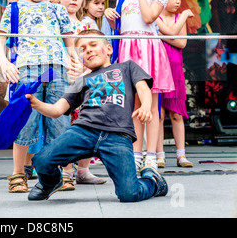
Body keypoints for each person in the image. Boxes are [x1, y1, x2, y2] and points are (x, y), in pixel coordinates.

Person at [26, 29, 168, 202]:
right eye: (83, 49)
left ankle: (153, 181)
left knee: (129, 194)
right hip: (84, 131)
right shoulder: (80, 81)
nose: (88, 50)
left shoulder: (127, 67)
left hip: (118, 135)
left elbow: (143, 88)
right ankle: (52, 182)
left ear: (108, 49)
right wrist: (36, 103)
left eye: (93, 45)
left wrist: (146, 105)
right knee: (41, 160)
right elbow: (57, 110)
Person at [0, 0, 77, 193]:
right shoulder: (14, 10)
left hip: (57, 70)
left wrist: (74, 59)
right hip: (27, 71)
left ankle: (64, 172)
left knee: (60, 121)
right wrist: (4, 63)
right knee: (25, 122)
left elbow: (69, 40)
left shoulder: (58, 10)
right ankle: (18, 174)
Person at [104, 0, 175, 171]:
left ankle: (151, 155)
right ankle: (136, 153)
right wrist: (109, 13)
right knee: (134, 106)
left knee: (152, 105)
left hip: (148, 50)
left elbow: (148, 17)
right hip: (128, 51)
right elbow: (120, 28)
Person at [58, 0, 106, 189]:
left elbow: (94, 52)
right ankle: (66, 171)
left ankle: (83, 170)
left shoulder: (85, 24)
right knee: (66, 129)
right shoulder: (54, 22)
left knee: (87, 125)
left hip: (85, 83)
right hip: (63, 83)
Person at [155, 0, 194, 168]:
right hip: (159, 71)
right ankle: (160, 154)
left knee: (177, 114)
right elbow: (173, 36)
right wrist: (170, 33)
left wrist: (166, 35)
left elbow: (181, 42)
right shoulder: (156, 17)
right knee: (159, 114)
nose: (178, 1)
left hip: (176, 71)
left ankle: (181, 155)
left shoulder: (179, 18)